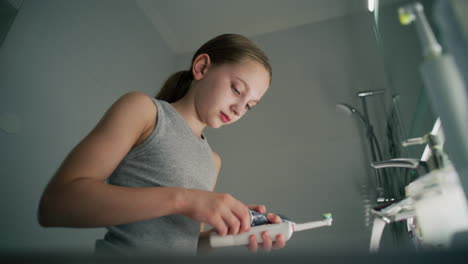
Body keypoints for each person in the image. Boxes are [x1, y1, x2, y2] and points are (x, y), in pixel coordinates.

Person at [38, 33, 286, 256]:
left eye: (249, 106)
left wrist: (225, 236)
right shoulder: (144, 111)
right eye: (236, 89)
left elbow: (187, 245)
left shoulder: (213, 161)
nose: (239, 109)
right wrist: (185, 200)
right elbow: (56, 205)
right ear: (201, 67)